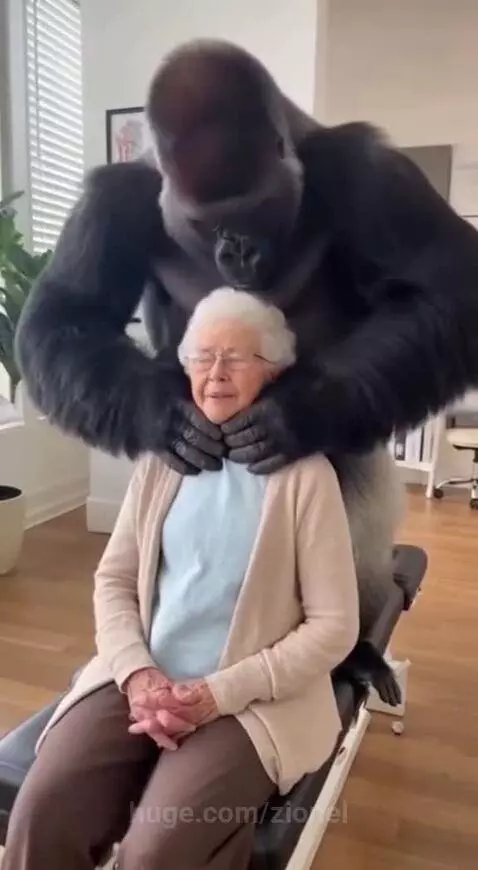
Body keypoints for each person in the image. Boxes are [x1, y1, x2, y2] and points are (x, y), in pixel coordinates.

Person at [3, 288, 360, 870]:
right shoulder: (161, 460)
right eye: (202, 357)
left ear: (270, 373)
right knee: (44, 809)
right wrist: (138, 673)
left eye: (236, 358)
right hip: (143, 679)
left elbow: (333, 626)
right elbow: (114, 580)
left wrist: (215, 694)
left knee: (157, 850)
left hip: (248, 699)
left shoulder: (305, 476)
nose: (215, 373)